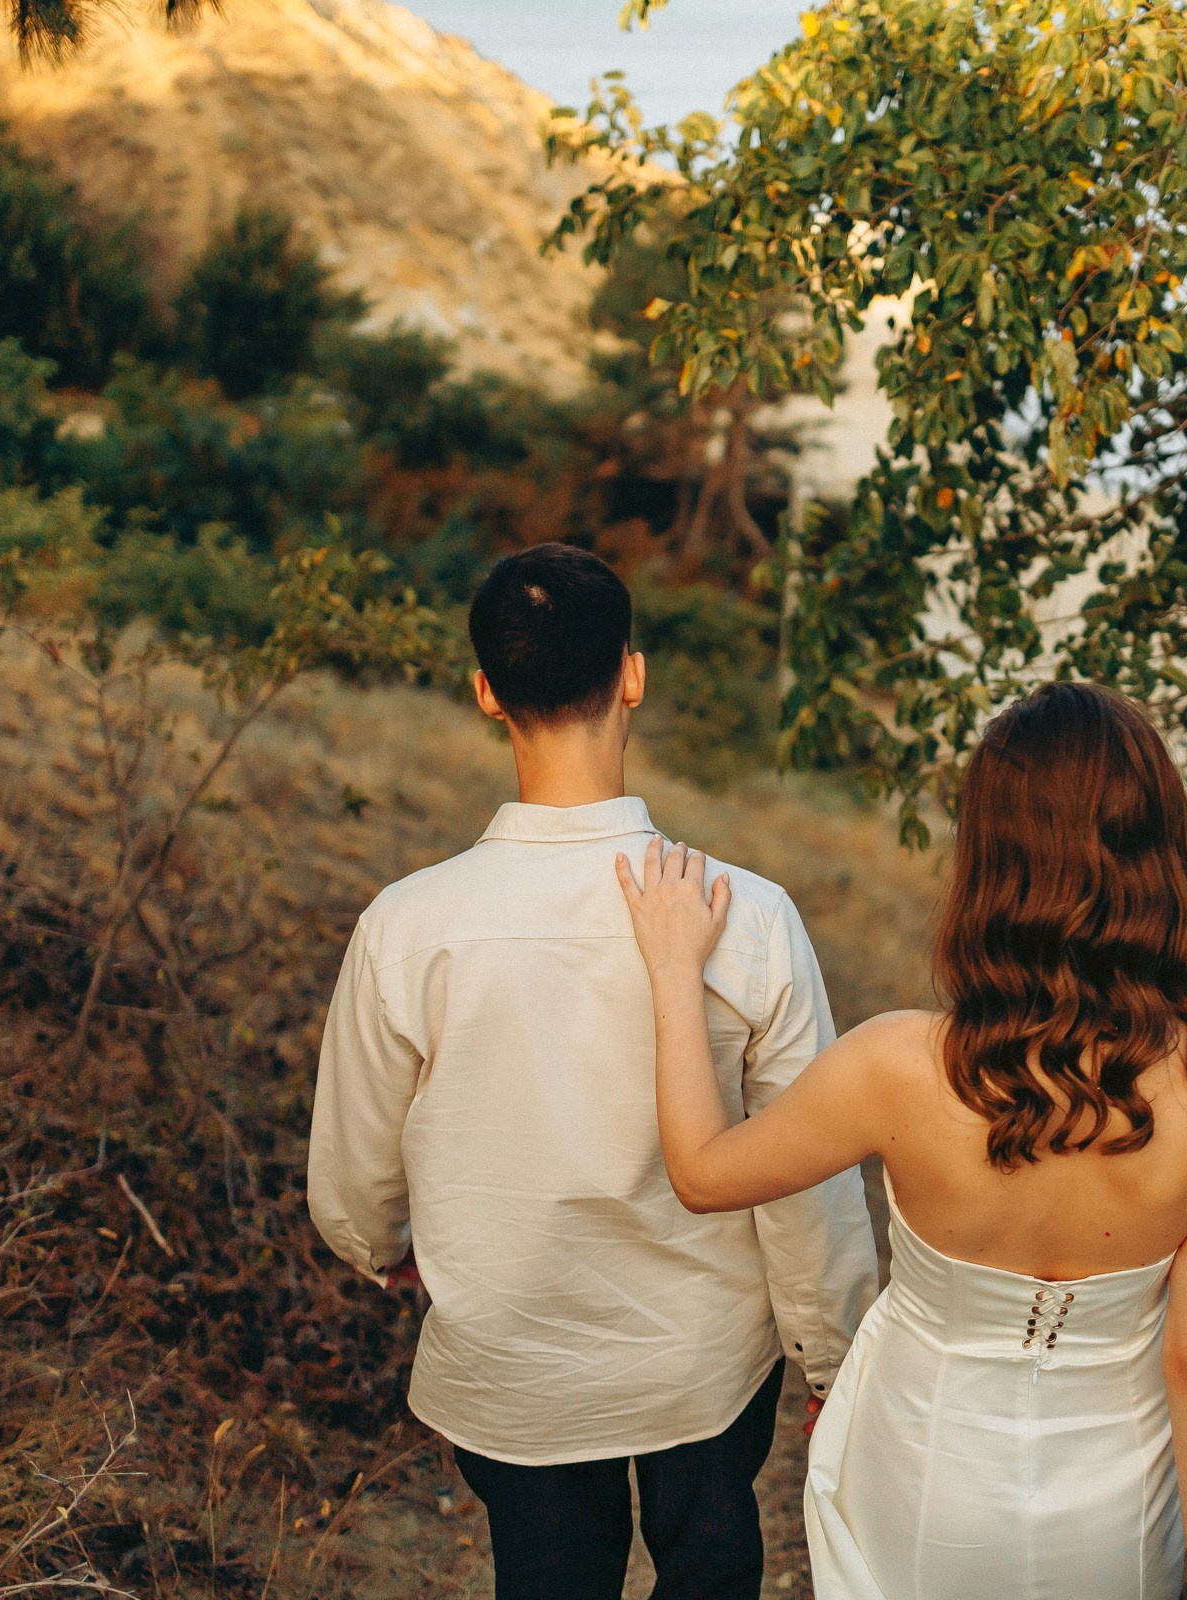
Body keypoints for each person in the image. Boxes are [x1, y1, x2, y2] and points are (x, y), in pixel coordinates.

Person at [616, 680, 1187, 1600]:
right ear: (1164, 847)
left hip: (922, 1471)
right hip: (1120, 1498)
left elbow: (699, 1172)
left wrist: (670, 969)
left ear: (990, 859)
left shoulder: (899, 1063)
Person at [306, 542, 879, 1600]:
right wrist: (832, 1351)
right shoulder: (745, 915)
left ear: (485, 692)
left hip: (515, 1359)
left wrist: (381, 1245)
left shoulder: (409, 925)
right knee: (711, 1571)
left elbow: (354, 1162)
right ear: (633, 673)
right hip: (702, 1360)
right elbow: (804, 1175)